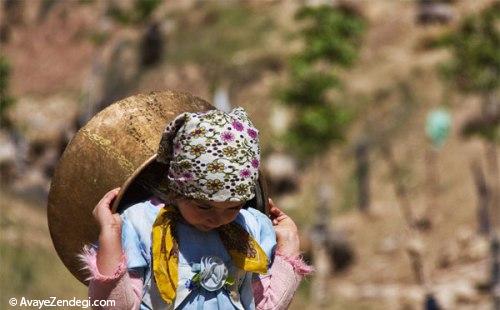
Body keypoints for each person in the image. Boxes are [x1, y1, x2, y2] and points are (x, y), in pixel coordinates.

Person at [80, 107, 312, 309]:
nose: (218, 219)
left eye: (232, 207)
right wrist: (110, 237)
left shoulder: (250, 228)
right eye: (204, 206)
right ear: (177, 190)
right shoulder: (141, 224)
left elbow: (266, 306)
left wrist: (289, 242)